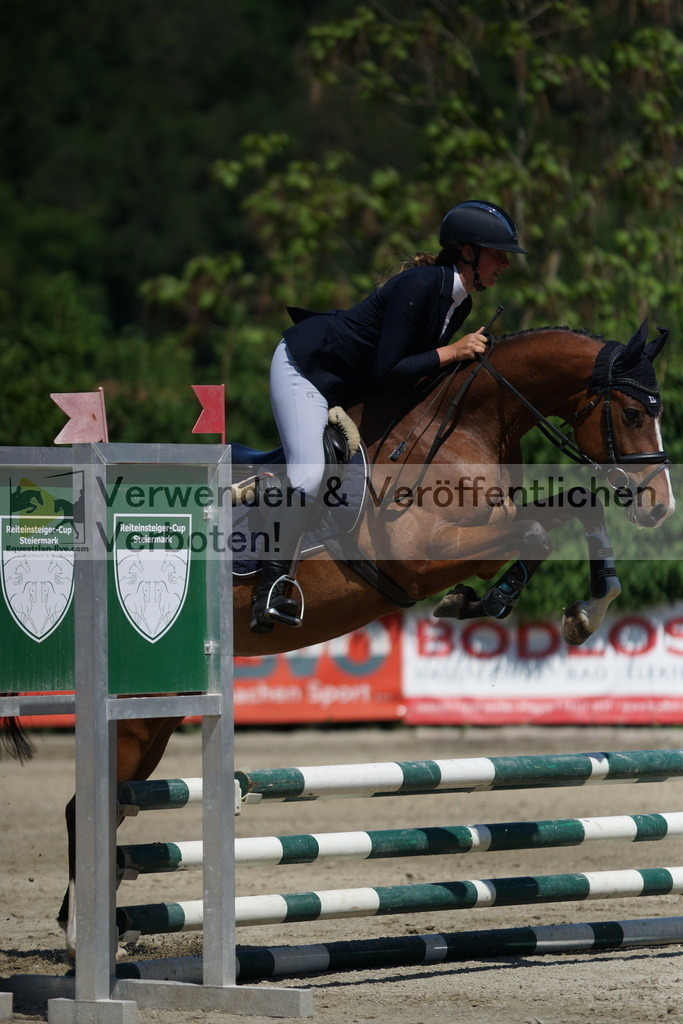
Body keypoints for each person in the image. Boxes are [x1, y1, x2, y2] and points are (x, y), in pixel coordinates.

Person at [250, 199, 527, 634]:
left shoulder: (460, 305)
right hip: (307, 369)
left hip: (350, 386)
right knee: (309, 473)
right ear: (468, 253)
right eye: (498, 254)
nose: (505, 265)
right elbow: (389, 369)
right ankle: (270, 587)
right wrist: (454, 351)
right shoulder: (419, 286)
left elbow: (414, 372)